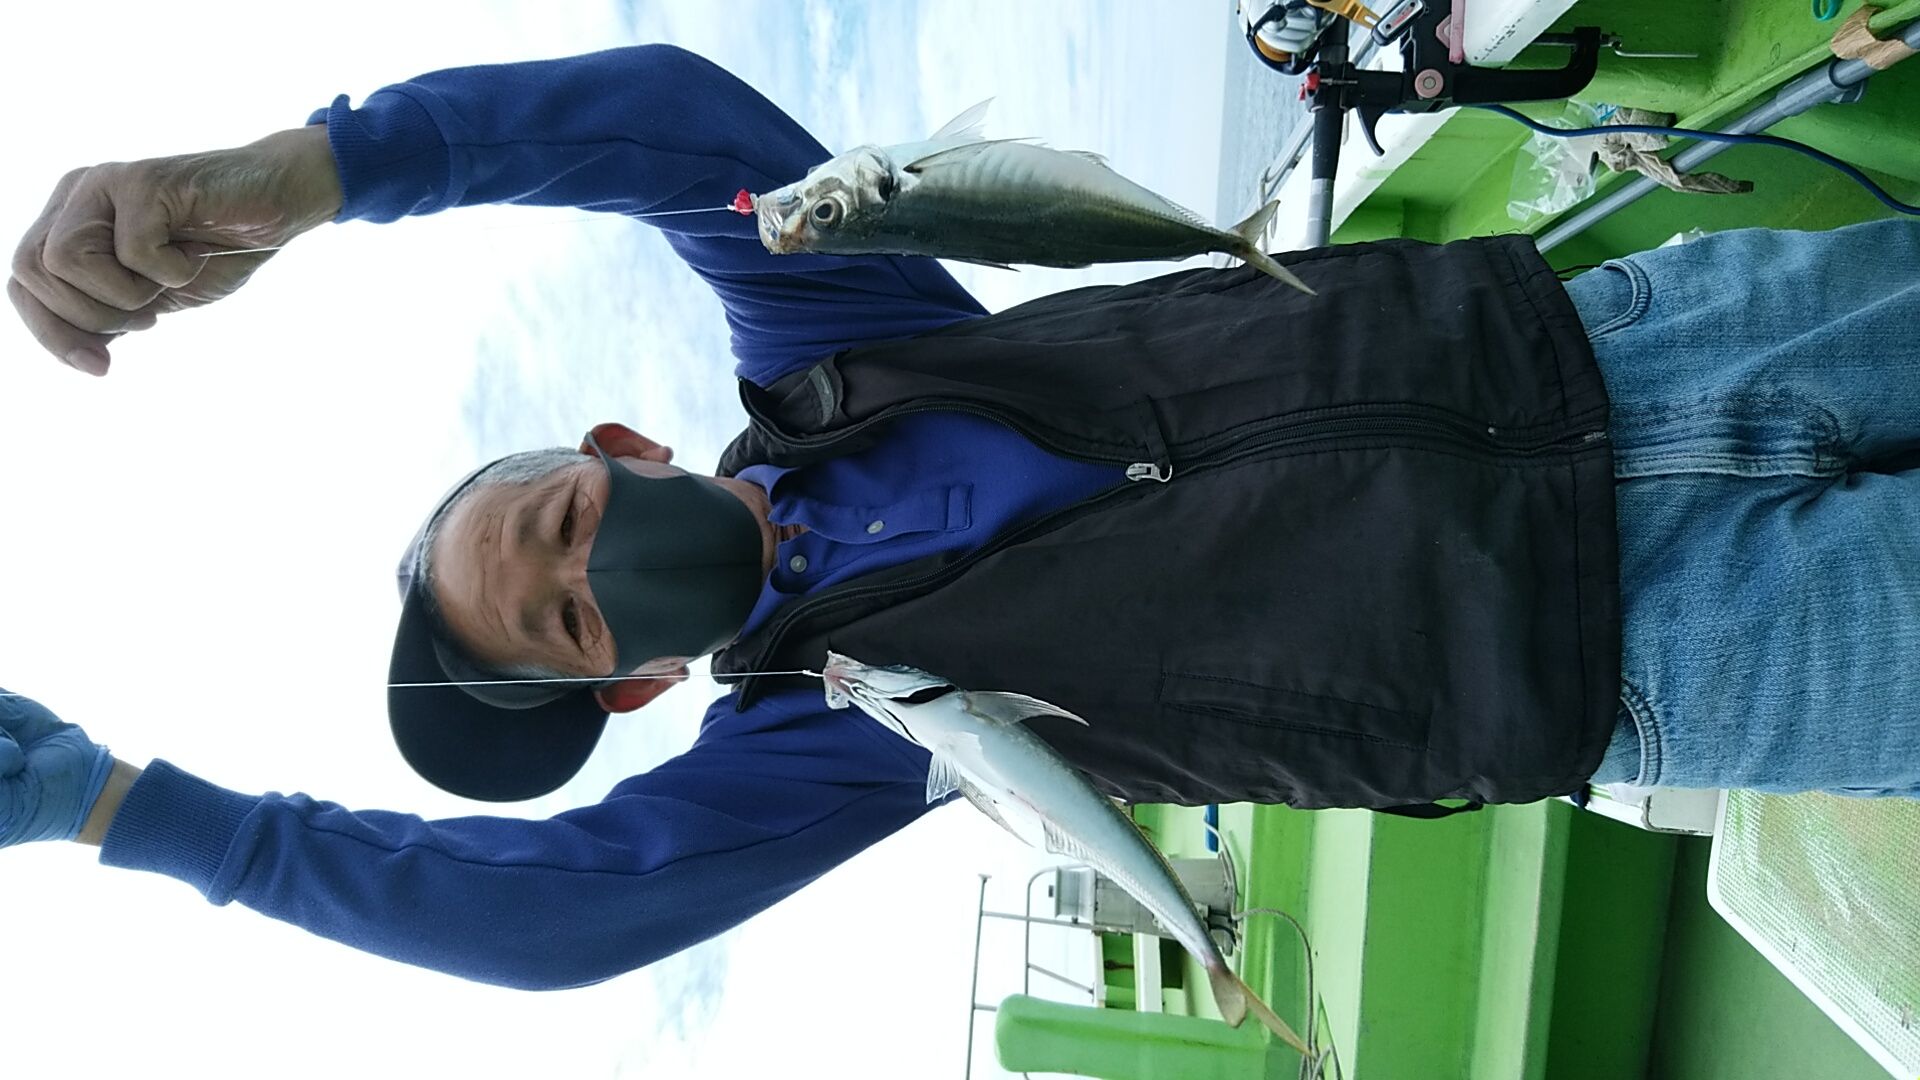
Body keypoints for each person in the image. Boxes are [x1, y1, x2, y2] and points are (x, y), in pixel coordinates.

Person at [4, 45, 1916, 991]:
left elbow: (668, 126)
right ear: (635, 690)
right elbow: (543, 919)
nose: (596, 570)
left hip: (1633, 340)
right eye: (575, 620)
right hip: (1649, 661)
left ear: (625, 445)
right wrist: (132, 812)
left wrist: (305, 175)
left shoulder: (839, 331)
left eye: (569, 522)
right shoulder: (838, 742)